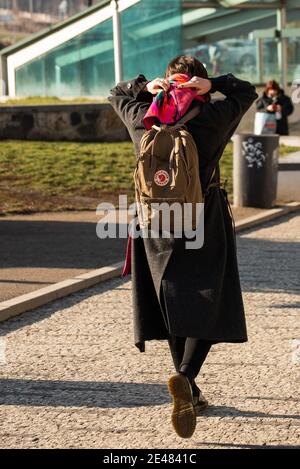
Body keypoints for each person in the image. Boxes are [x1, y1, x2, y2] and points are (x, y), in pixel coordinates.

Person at [108, 55, 258, 439]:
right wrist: (213, 86)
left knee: (172, 300)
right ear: (199, 84)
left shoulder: (143, 115)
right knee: (211, 297)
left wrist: (147, 85)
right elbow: (245, 90)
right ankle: (185, 377)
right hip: (202, 215)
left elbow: (117, 92)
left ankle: (189, 389)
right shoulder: (213, 116)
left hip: (154, 222)